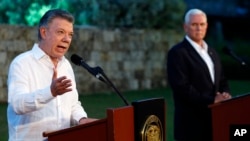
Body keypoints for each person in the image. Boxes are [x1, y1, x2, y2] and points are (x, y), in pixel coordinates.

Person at [7, 9, 96, 141]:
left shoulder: (65, 66)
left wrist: (81, 119)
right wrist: (50, 92)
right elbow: (17, 104)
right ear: (44, 32)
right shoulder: (22, 63)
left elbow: (72, 104)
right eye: (61, 32)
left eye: (70, 34)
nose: (67, 39)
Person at [166, 8, 232, 141]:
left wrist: (225, 93)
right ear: (185, 27)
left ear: (207, 26)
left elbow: (222, 79)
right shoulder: (178, 53)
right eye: (194, 24)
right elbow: (182, 88)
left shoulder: (211, 52)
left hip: (214, 120)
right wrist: (212, 100)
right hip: (191, 125)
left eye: (202, 24)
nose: (198, 29)